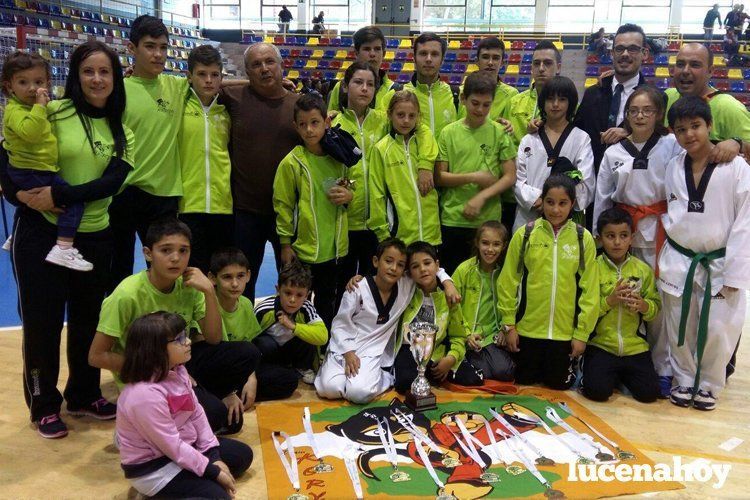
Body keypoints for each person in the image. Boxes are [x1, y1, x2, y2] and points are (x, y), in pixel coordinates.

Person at [0, 41, 133, 439]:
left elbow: (112, 181)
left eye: (104, 71)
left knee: (89, 321)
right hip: (40, 234)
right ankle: (43, 404)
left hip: (94, 237)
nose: (96, 79)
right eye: (88, 71)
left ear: (115, 78)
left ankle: (84, 393)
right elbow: (8, 158)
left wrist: (60, 196)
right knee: (41, 322)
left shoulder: (121, 130)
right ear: (76, 76)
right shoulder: (53, 111)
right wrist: (18, 195)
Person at [90, 219, 258, 434]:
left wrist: (208, 291)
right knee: (216, 416)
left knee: (247, 353)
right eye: (166, 250)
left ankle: (200, 403)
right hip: (147, 378)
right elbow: (96, 356)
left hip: (180, 366)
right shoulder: (126, 295)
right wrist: (160, 370)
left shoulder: (190, 286)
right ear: (148, 253)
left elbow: (214, 339)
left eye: (183, 250)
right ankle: (142, 425)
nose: (176, 258)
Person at [659, 96, 750, 411]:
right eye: (681, 129)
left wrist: (737, 271)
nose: (689, 135)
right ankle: (683, 378)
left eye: (696, 126)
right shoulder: (673, 166)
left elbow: (745, 222)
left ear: (709, 125)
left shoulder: (736, 167)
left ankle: (710, 384)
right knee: (679, 323)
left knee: (718, 328)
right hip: (680, 257)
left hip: (720, 261)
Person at [593, 86, 681, 396]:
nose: (640, 116)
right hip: (622, 236)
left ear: (658, 115)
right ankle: (612, 359)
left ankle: (663, 368)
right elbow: (602, 196)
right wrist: (599, 237)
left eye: (647, 110)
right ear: (626, 115)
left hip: (661, 234)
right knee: (616, 298)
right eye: (633, 110)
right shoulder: (615, 151)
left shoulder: (671, 145)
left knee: (657, 305)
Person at [116, 312, 252, 499]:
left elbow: (196, 413)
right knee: (218, 496)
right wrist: (213, 471)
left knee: (242, 456)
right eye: (179, 339)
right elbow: (172, 446)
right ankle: (152, 493)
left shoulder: (177, 370)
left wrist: (213, 456)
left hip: (183, 447)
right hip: (156, 466)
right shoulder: (143, 395)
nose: (188, 341)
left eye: (185, 335)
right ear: (155, 349)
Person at [108, 15, 191, 292]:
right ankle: (119, 329)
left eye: (163, 47)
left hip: (163, 196)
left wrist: (278, 87)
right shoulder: (117, 90)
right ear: (132, 49)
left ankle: (164, 332)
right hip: (122, 193)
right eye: (150, 46)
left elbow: (214, 83)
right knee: (116, 268)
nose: (158, 54)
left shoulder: (176, 86)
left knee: (165, 273)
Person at [498, 175, 599, 390]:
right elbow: (507, 282)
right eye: (550, 202)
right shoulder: (525, 235)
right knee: (523, 382)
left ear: (572, 204)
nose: (555, 210)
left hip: (564, 334)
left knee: (558, 386)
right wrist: (509, 326)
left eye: (563, 203)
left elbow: (590, 290)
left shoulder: (583, 238)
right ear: (541, 201)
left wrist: (581, 334)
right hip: (527, 331)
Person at [220, 42, 299, 302]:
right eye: (256, 65)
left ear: (281, 66)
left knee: (291, 280)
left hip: (287, 214)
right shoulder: (235, 98)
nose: (264, 69)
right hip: (245, 211)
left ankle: (290, 334)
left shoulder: (298, 106)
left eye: (269, 62)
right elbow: (210, 84)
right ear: (247, 71)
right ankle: (243, 333)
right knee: (241, 280)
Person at [1, 51, 93, 270]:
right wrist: (40, 107)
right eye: (23, 82)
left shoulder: (29, 107)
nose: (32, 88)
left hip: (37, 169)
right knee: (72, 200)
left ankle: (16, 235)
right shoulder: (15, 110)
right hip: (31, 171)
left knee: (44, 201)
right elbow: (31, 132)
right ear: (9, 86)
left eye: (38, 82)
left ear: (47, 83)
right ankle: (63, 247)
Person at [273, 93, 353, 328]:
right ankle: (296, 353)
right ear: (295, 127)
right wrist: (286, 244)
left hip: (335, 250)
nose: (309, 130)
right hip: (303, 251)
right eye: (303, 124)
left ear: (326, 122)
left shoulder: (340, 159)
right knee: (296, 304)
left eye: (315, 123)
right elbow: (283, 206)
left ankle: (323, 350)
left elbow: (351, 186)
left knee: (327, 303)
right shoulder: (292, 163)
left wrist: (349, 195)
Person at [434, 71, 516, 273]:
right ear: (463, 99)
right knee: (453, 278)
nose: (480, 109)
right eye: (475, 103)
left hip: (488, 223)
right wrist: (473, 177)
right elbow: (440, 177)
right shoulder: (448, 133)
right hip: (453, 219)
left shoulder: (499, 132)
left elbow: (510, 176)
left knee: (487, 280)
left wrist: (482, 197)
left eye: (486, 105)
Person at [315, 238, 410, 403]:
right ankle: (342, 373)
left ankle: (385, 377)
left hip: (371, 351)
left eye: (400, 265)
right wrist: (348, 352)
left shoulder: (405, 286)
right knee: (328, 389)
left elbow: (429, 269)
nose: (394, 268)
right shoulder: (357, 288)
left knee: (358, 393)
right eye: (388, 261)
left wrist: (446, 280)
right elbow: (340, 324)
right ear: (375, 261)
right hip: (345, 348)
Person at [581, 208, 661, 403]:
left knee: (650, 394)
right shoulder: (593, 268)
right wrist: (610, 300)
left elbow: (655, 307)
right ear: (599, 239)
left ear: (631, 238)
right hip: (601, 345)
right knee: (597, 392)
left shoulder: (642, 270)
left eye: (623, 235)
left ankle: (619, 376)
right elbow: (586, 309)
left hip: (635, 347)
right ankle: (604, 375)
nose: (617, 242)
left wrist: (643, 306)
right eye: (610, 236)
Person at [208, 248, 300, 403]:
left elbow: (250, 346)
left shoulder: (245, 303)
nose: (235, 284)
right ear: (212, 278)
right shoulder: (208, 305)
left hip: (240, 367)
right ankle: (228, 394)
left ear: (249, 276)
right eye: (227, 277)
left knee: (289, 380)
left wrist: (252, 379)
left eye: (240, 276)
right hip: (217, 369)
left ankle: (239, 393)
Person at [393, 241, 478, 392]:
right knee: (405, 383)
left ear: (437, 265)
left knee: (471, 378)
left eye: (427, 263)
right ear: (409, 272)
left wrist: (451, 359)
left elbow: (458, 335)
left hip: (435, 351)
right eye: (415, 266)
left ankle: (436, 371)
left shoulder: (449, 296)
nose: (423, 270)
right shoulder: (406, 292)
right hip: (409, 350)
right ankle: (424, 375)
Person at [513, 76, 595, 231]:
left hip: (567, 221)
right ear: (542, 102)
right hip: (529, 219)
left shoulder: (581, 138)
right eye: (550, 99)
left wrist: (555, 203)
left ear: (570, 103)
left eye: (562, 99)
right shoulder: (528, 139)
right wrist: (539, 201)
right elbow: (518, 181)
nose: (555, 104)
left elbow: (587, 183)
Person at [178, 45, 233, 274]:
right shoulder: (177, 104)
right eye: (201, 74)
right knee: (192, 273)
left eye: (214, 75)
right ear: (189, 76)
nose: (209, 80)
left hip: (224, 207)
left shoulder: (228, 110)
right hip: (188, 205)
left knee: (219, 274)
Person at [331, 62, 389, 278]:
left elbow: (415, 124)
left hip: (378, 222)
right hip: (345, 222)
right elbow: (325, 171)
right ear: (345, 86)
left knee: (372, 287)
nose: (365, 88)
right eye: (358, 82)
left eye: (370, 84)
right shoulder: (334, 123)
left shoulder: (385, 121)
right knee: (343, 286)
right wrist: (338, 190)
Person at [460, 37, 519, 232]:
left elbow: (512, 132)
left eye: (496, 57)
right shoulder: (462, 91)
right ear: (477, 60)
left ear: (503, 61)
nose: (490, 62)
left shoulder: (512, 95)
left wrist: (510, 126)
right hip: (464, 179)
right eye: (485, 57)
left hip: (497, 181)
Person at [368, 90, 440, 246]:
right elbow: (376, 194)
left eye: (412, 116)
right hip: (399, 238)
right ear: (389, 114)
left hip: (430, 235)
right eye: (400, 115)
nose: (406, 121)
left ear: (418, 116)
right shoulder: (381, 149)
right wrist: (383, 235)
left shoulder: (425, 142)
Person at [665, 43, 750, 170]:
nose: (685, 71)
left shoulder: (729, 108)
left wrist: (738, 143)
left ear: (710, 71)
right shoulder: (666, 98)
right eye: (680, 64)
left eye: (695, 65)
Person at [452, 221, 515, 382]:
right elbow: (453, 308)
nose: (490, 249)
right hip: (466, 336)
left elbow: (512, 302)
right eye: (485, 243)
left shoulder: (505, 272)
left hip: (491, 337)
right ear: (477, 243)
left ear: (504, 246)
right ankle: (465, 362)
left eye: (496, 244)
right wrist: (466, 334)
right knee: (480, 373)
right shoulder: (464, 270)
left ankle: (472, 365)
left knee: (504, 371)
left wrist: (504, 328)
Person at [253, 260, 328, 385]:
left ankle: (302, 367)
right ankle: (272, 368)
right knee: (264, 343)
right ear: (278, 290)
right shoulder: (263, 309)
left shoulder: (307, 308)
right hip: (271, 354)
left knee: (309, 334)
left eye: (299, 295)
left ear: (307, 295)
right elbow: (248, 339)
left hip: (292, 352)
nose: (292, 300)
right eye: (287, 293)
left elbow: (323, 337)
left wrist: (293, 326)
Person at [505, 40, 562, 149]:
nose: (541, 68)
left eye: (547, 63)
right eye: (536, 63)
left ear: (558, 67)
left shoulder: (570, 105)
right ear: (531, 68)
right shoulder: (514, 102)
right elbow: (506, 142)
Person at [398, 32, 457, 138]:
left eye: (434, 54)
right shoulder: (398, 95)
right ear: (414, 59)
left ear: (442, 60)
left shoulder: (456, 97)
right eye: (423, 53)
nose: (429, 59)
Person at [328, 26, 396, 113]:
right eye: (367, 49)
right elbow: (329, 121)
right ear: (356, 53)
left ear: (384, 54)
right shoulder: (341, 87)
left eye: (377, 49)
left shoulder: (395, 90)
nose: (372, 54)